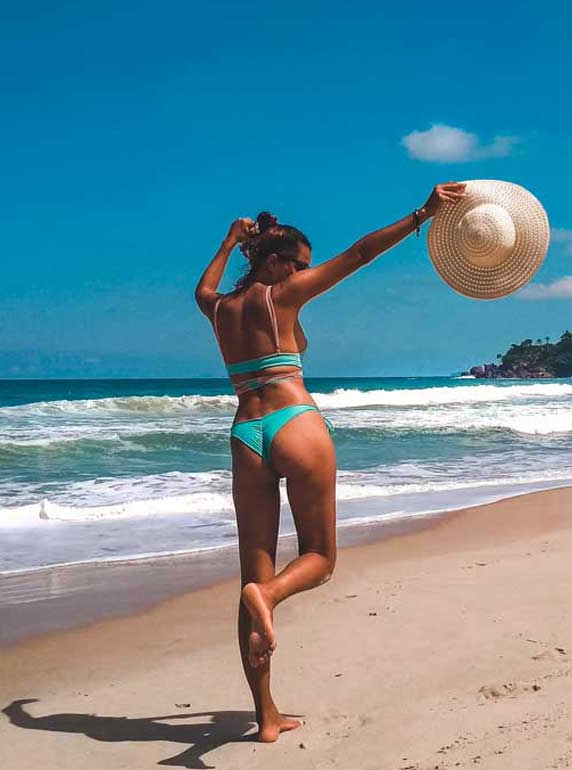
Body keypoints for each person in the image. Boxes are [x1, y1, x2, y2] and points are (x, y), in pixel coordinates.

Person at [193, 182, 467, 742]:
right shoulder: (284, 296)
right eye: (297, 264)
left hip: (246, 433)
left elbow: (203, 286)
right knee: (318, 556)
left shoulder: (218, 308)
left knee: (253, 572)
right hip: (295, 422)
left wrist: (226, 243)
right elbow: (361, 253)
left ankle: (266, 717)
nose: (303, 272)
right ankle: (268, 597)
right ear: (277, 261)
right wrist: (424, 212)